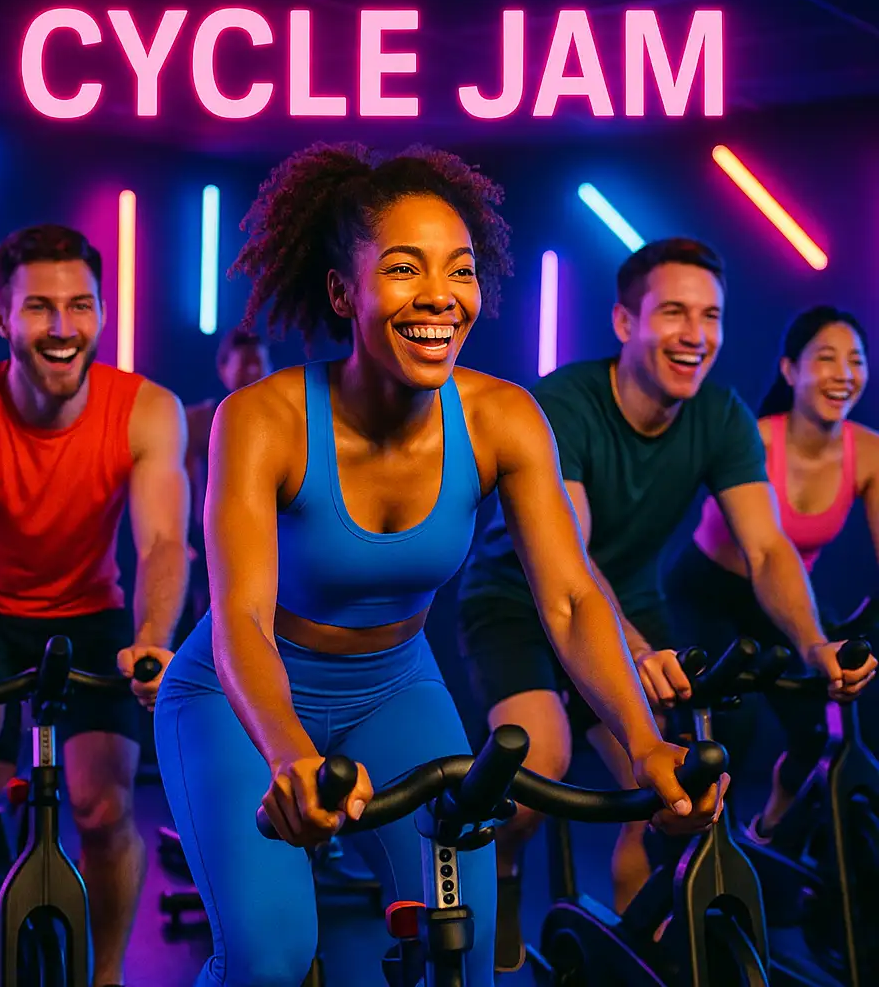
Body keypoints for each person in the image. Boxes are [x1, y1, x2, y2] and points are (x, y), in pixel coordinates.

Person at [153, 144, 725, 987]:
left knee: (462, 936)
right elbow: (239, 613)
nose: (438, 297)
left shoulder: (503, 419)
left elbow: (567, 599)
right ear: (344, 292)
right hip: (238, 696)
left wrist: (645, 746)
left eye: (459, 270)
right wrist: (287, 756)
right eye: (403, 268)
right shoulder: (261, 419)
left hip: (395, 686)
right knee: (272, 960)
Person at [456, 238, 876, 973]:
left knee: (674, 794)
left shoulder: (719, 416)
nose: (696, 334)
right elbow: (571, 562)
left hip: (630, 603)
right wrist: (639, 653)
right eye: (674, 312)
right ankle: (506, 872)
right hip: (515, 600)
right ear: (625, 323)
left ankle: (634, 950)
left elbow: (769, 548)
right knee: (540, 760)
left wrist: (813, 643)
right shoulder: (565, 403)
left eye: (710, 315)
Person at [0, 224, 190, 987]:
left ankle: (103, 980)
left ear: (101, 311)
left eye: (80, 306)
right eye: (39, 308)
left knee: (102, 810)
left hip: (91, 614)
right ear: (1, 320)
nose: (63, 328)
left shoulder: (149, 410)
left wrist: (154, 638)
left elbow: (166, 543)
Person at [666, 304, 879, 842]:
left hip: (783, 599)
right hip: (708, 592)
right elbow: (762, 548)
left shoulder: (869, 451)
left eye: (856, 360)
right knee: (727, 730)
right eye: (826, 358)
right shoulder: (753, 440)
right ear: (790, 370)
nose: (844, 374)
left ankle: (772, 824)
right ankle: (697, 858)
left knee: (831, 719)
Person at [185, 328, 272, 618]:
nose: (254, 371)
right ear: (223, 368)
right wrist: (182, 538)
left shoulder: (280, 423)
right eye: (245, 363)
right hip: (206, 543)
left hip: (265, 543)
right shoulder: (198, 420)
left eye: (259, 363)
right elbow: (181, 482)